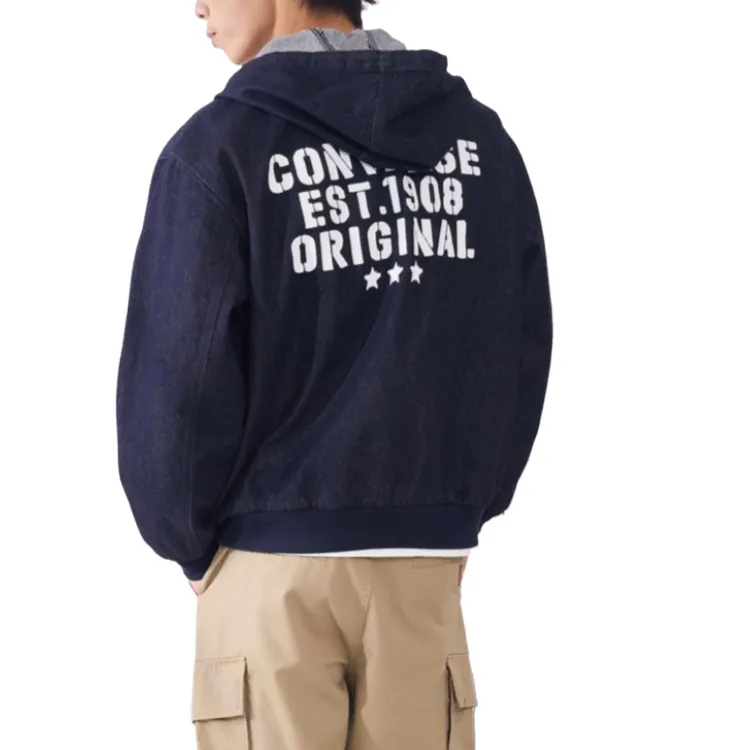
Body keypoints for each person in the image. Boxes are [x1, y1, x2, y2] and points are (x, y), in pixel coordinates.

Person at [115, 0, 553, 747]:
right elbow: (519, 349)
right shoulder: (481, 145)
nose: (197, 6)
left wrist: (186, 541)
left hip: (266, 571)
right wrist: (457, 513)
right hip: (421, 569)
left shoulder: (220, 149)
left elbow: (177, 385)